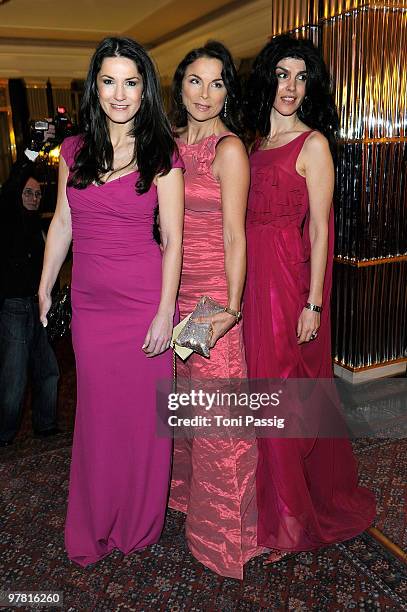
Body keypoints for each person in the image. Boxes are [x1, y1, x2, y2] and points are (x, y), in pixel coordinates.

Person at [38, 37, 184, 566]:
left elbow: (173, 240)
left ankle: (140, 523)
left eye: (131, 82)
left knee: (144, 419)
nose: (119, 93)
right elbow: (62, 223)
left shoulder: (161, 153)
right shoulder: (73, 150)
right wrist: (46, 283)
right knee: (98, 417)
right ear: (94, 85)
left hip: (144, 300)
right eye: (108, 81)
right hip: (93, 308)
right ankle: (97, 519)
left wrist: (166, 311)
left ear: (145, 88)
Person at [243, 35, 376, 556]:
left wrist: (314, 303)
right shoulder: (253, 144)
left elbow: (321, 229)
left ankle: (292, 523)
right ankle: (274, 506)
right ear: (267, 78)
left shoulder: (313, 143)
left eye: (301, 77)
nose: (291, 87)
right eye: (282, 74)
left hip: (287, 285)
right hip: (251, 282)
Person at [168, 41, 265, 579]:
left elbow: (235, 234)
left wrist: (230, 307)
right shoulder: (169, 145)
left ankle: (229, 535)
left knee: (220, 423)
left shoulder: (229, 150)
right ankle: (186, 502)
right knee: (185, 416)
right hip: (172, 297)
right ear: (179, 85)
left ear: (228, 89)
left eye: (217, 83)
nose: (205, 95)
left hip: (213, 302)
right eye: (195, 81)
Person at [0, 163, 59, 447]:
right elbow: (11, 185)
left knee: (48, 369)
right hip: (15, 307)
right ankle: (4, 434)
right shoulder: (9, 220)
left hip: (39, 307)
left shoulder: (40, 226)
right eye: (28, 193)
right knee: (14, 376)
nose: (34, 198)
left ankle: (45, 425)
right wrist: (31, 152)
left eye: (37, 194)